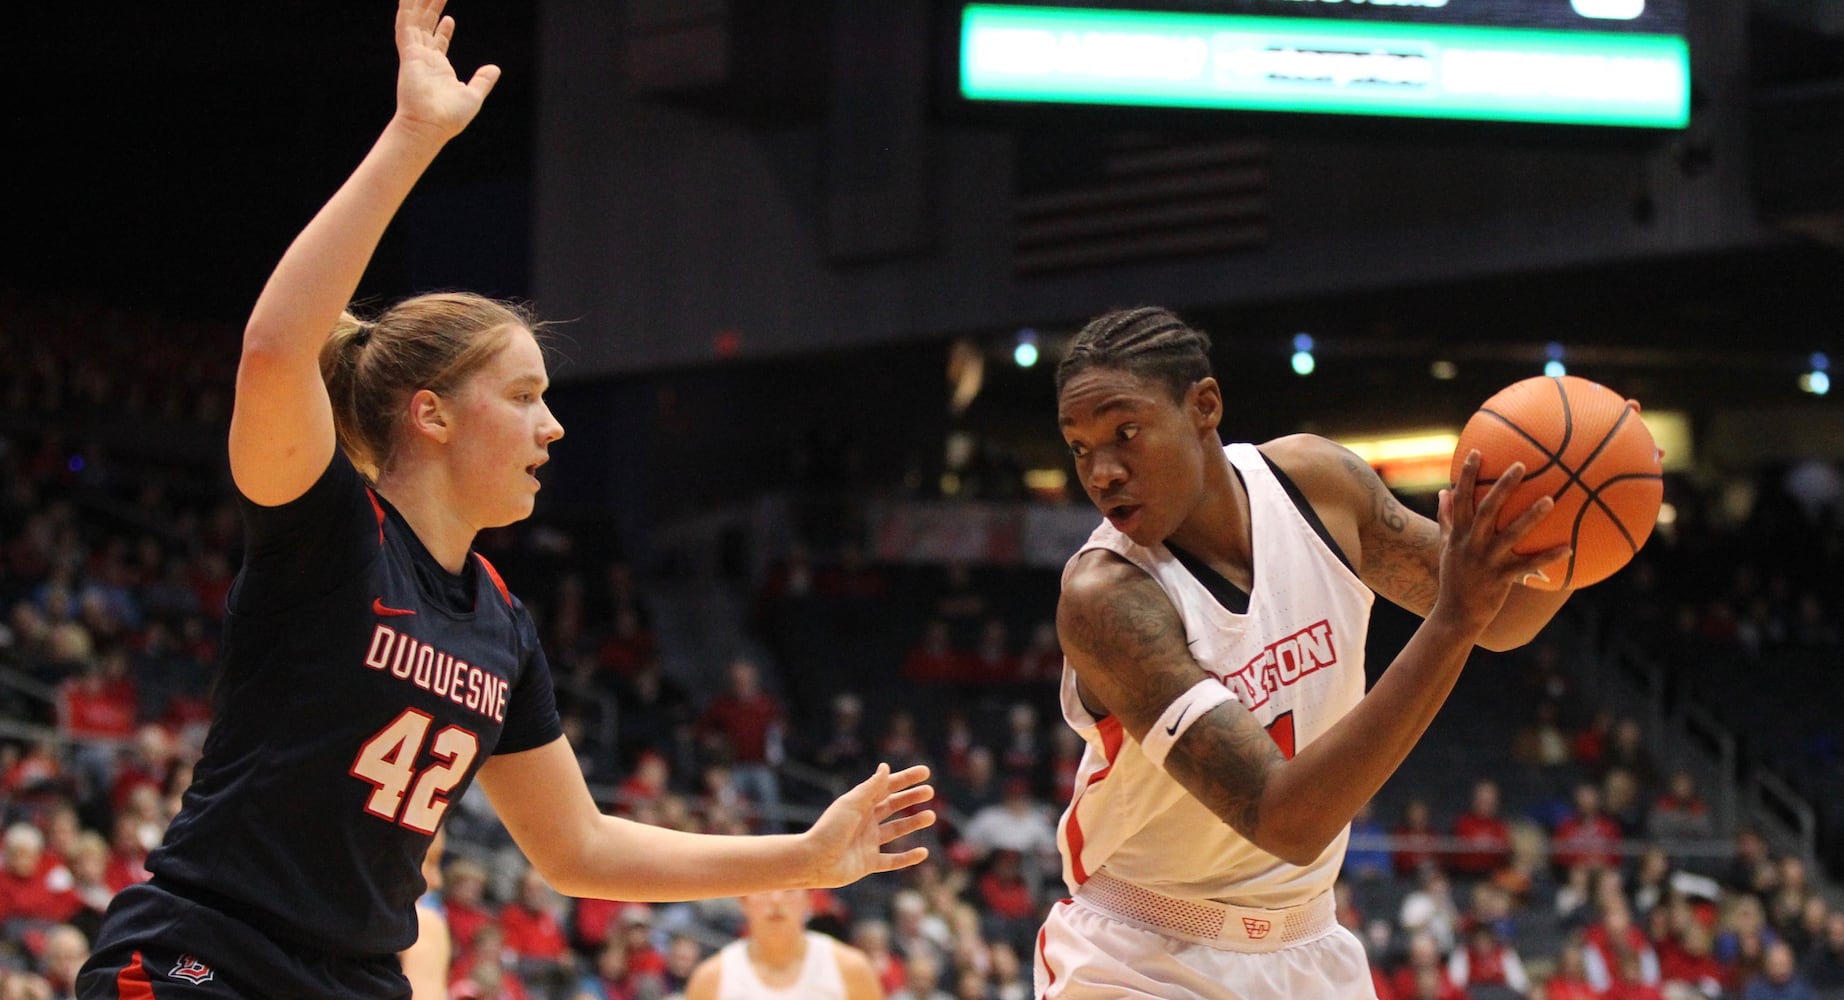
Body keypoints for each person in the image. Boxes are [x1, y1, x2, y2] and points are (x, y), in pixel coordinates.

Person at [73, 4, 935, 997]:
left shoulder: (503, 627)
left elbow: (577, 847)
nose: (552, 426)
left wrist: (803, 856)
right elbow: (274, 351)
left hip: (357, 976)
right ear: (430, 413)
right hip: (206, 954)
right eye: (523, 397)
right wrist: (413, 137)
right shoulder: (332, 531)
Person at [1036, 307, 1574, 998]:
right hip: (1141, 955)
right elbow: (1286, 820)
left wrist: (1582, 517)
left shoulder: (1316, 487)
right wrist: (1451, 621)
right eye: (1080, 448)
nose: (1102, 471)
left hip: (1306, 942)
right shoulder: (1107, 599)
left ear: (1204, 406)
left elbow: (1507, 616)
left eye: (1125, 432)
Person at [682, 889, 884, 1000]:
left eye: (789, 889)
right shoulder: (711, 978)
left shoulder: (850, 968)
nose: (776, 900)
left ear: (809, 900)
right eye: (764, 889)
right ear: (743, 901)